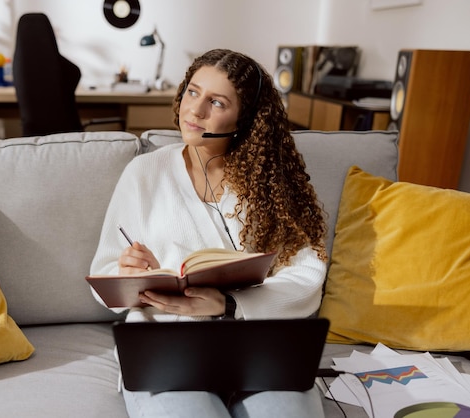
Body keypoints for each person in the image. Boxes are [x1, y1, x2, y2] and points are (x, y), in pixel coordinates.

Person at [90, 48, 328, 417]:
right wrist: (130, 273)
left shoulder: (270, 184)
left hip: (258, 348)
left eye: (216, 102)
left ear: (245, 117)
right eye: (192, 92)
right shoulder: (144, 173)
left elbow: (308, 275)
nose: (195, 111)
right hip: (166, 346)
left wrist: (230, 305)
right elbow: (103, 276)